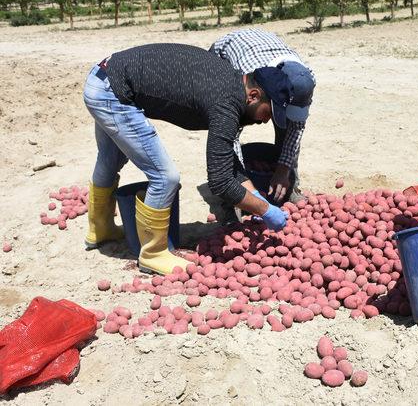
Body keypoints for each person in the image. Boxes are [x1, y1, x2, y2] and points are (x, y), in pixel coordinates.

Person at [82, 43, 294, 275]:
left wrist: (251, 194)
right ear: (253, 96)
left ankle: (99, 229)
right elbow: (221, 182)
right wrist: (265, 209)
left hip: (102, 77)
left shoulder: (231, 85)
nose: (265, 121)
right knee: (165, 177)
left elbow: (224, 159)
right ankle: (153, 254)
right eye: (268, 113)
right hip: (113, 92)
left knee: (110, 159)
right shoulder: (227, 103)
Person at [209, 28, 315, 206]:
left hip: (266, 45)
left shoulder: (305, 80)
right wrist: (245, 188)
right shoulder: (249, 77)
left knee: (287, 125)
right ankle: (230, 196)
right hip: (224, 54)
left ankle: (289, 185)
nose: (264, 121)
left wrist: (283, 169)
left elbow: (296, 128)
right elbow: (232, 134)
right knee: (227, 125)